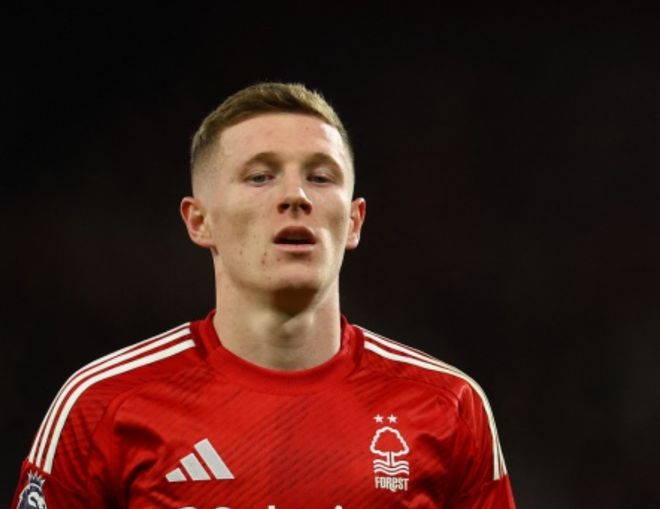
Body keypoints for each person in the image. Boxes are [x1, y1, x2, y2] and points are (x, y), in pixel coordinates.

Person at [12, 82, 517, 508]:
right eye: (260, 176)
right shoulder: (103, 405)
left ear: (354, 221)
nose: (296, 196)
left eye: (320, 177)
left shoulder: (447, 406)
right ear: (199, 220)